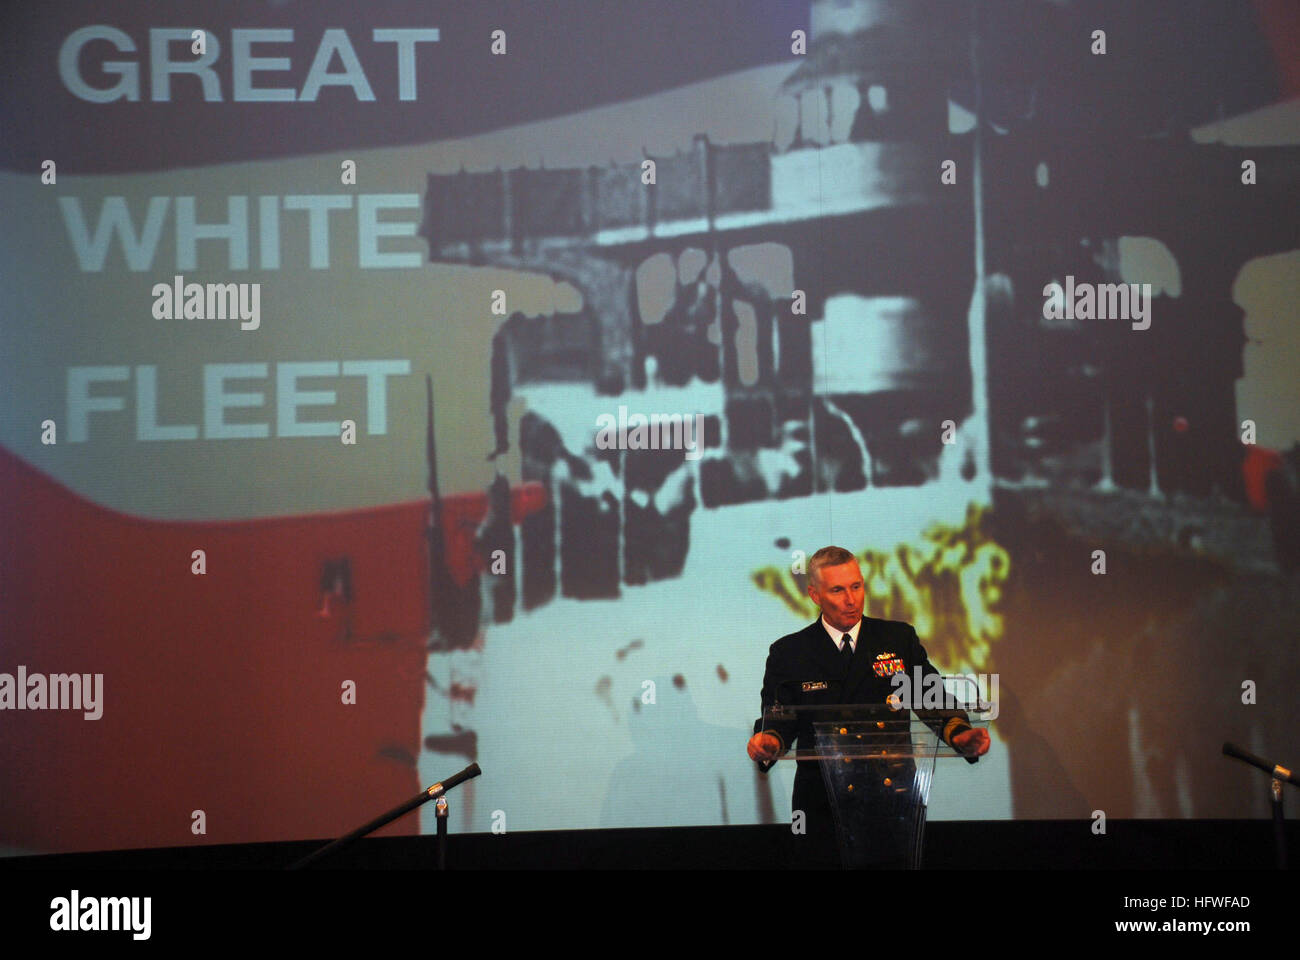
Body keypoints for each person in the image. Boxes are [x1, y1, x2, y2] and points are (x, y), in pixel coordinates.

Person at [747, 545, 990, 868]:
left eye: (856, 586)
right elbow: (779, 717)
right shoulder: (789, 652)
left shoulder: (897, 639)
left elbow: (933, 699)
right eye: (837, 590)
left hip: (892, 799)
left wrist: (959, 733)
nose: (852, 599)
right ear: (815, 595)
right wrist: (769, 741)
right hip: (821, 804)